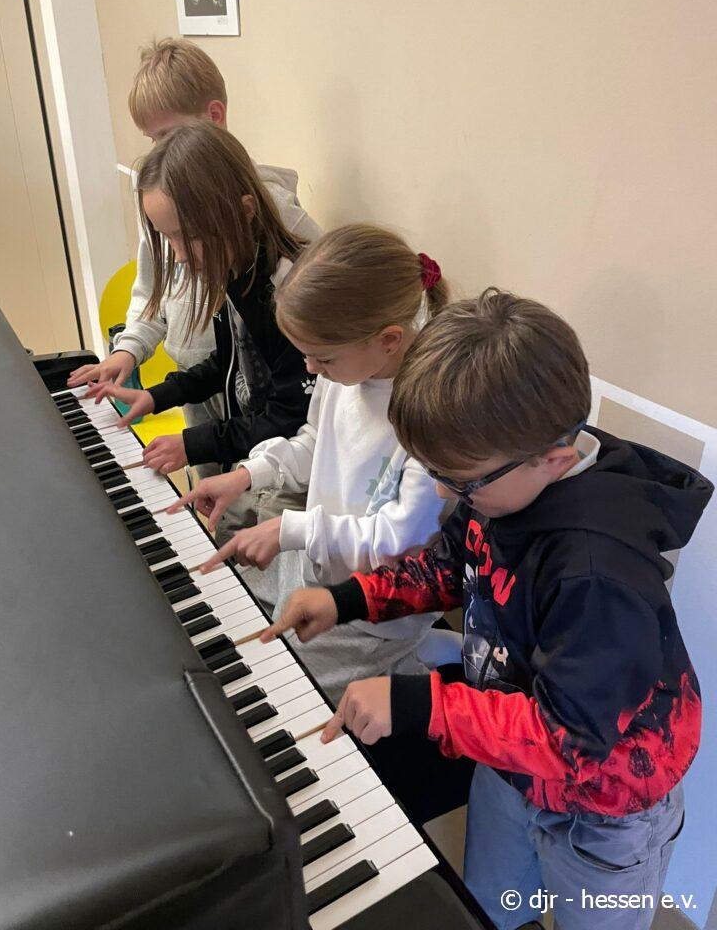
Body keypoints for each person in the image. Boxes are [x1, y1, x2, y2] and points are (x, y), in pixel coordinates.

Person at [264, 289, 712, 930]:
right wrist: (348, 599)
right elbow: (452, 565)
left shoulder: (597, 575)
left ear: (554, 460)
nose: (444, 490)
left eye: (459, 480)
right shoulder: (498, 491)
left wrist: (419, 705)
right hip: (509, 760)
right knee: (493, 904)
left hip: (606, 810)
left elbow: (570, 738)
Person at [168, 224, 451, 702]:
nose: (310, 370)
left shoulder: (430, 416)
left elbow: (397, 542)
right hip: (320, 562)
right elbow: (314, 441)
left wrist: (291, 530)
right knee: (229, 625)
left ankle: (418, 658)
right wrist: (246, 475)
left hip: (374, 608)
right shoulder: (342, 373)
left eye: (322, 359)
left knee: (277, 694)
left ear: (388, 339)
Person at [68, 37, 320, 479]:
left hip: (276, 434)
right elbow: (220, 350)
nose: (180, 257)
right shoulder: (202, 240)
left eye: (168, 136)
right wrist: (144, 373)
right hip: (220, 398)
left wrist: (198, 445)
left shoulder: (275, 269)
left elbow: (291, 413)